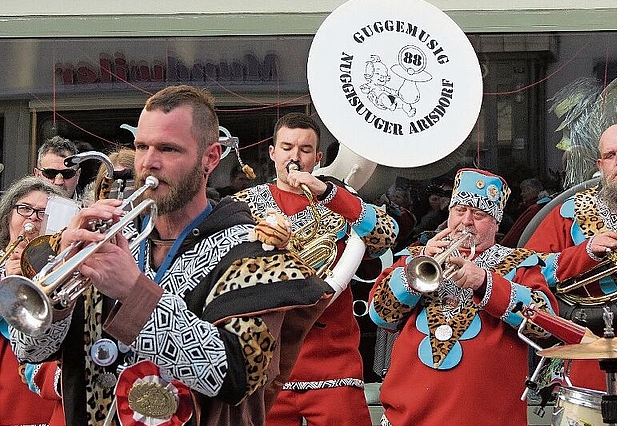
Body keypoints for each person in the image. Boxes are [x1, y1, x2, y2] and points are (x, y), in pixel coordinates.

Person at [10, 85, 333, 426]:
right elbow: (30, 351)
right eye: (141, 147)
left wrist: (135, 292)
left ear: (210, 158)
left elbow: (236, 376)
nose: (148, 163)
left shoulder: (255, 253)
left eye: (168, 149)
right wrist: (59, 293)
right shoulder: (105, 237)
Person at [232, 112, 398, 426]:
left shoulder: (339, 200)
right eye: (287, 147)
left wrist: (326, 193)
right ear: (273, 153)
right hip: (266, 360)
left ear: (318, 157)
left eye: (305, 150)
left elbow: (385, 235)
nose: (295, 157)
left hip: (332, 362)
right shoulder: (242, 205)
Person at [368, 168, 558, 426]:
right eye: (459, 211)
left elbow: (546, 325)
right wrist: (416, 268)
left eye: (479, 214)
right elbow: (380, 315)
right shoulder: (414, 257)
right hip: (409, 417)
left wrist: (485, 282)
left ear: (496, 221)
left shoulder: (521, 263)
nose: (466, 221)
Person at [525, 123, 617, 396]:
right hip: (593, 361)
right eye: (611, 156)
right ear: (601, 165)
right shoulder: (570, 213)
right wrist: (584, 254)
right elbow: (526, 272)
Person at [0, 176, 66, 426]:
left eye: (43, 212)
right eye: (25, 208)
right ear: (8, 216)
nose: (32, 218)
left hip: (41, 391)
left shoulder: (62, 269)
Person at [500, 178, 552, 248]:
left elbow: (515, 234)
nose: (522, 194)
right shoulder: (538, 207)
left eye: (524, 191)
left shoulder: (535, 209)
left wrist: (503, 245)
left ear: (532, 191)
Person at [34, 135, 81, 200]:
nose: (58, 182)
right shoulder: (22, 206)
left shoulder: (91, 207)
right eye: (50, 173)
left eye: (67, 173)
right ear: (37, 175)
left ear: (78, 175)